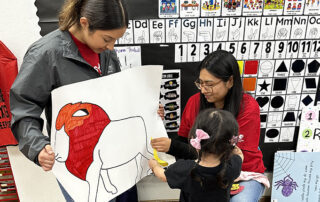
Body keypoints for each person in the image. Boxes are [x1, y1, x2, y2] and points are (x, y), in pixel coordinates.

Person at [10, 0, 163, 201]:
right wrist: (37, 146)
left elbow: (115, 97)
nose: (112, 46)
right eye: (107, 39)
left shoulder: (105, 52)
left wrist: (146, 109)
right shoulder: (46, 54)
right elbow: (23, 108)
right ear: (84, 23)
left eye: (115, 40)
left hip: (113, 150)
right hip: (78, 160)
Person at [151, 50, 269, 202]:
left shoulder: (248, 107)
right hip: (207, 171)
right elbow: (184, 142)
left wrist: (173, 147)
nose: (203, 89)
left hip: (244, 173)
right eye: (200, 83)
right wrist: (157, 120)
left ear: (230, 81)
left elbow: (225, 156)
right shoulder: (194, 102)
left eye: (210, 84)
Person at [149, 108, 244, 202]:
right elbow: (240, 154)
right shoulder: (233, 164)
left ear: (195, 139)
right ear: (231, 143)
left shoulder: (185, 168)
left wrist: (154, 166)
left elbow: (163, 176)